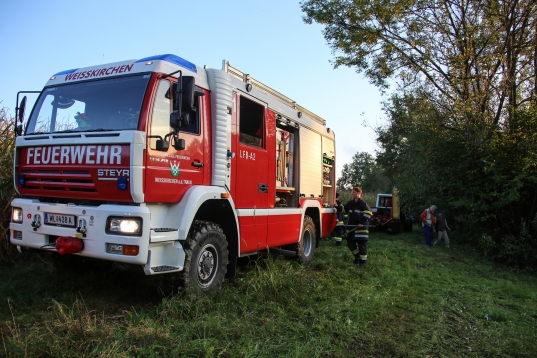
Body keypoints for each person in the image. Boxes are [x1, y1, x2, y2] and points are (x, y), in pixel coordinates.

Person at [344, 187, 373, 266]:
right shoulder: (350, 203)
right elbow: (344, 210)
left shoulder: (362, 203)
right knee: (350, 244)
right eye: (352, 192)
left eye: (353, 192)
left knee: (362, 246)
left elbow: (369, 213)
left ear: (358, 193)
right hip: (352, 228)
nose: (352, 193)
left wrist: (362, 221)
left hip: (361, 229)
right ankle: (357, 257)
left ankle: (362, 262)